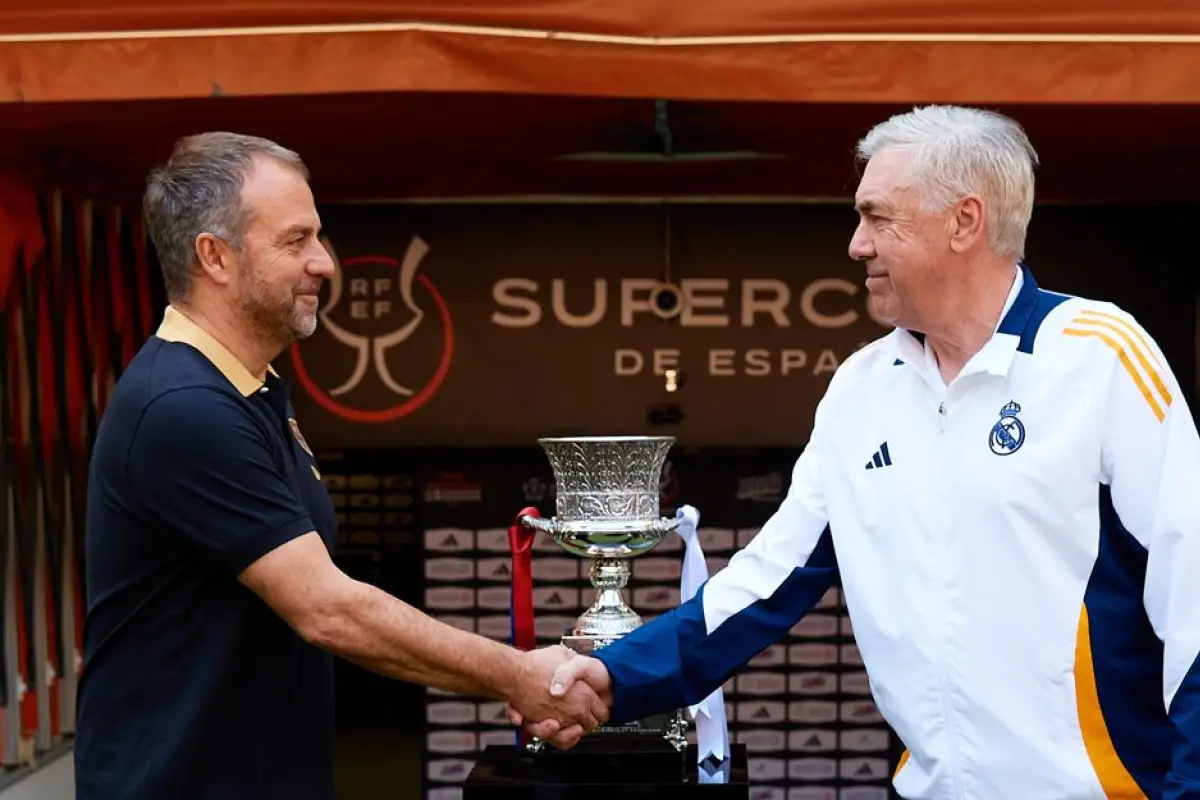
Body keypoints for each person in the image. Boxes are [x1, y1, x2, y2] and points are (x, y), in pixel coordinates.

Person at [514, 105, 1200, 798]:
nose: (856, 245)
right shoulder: (860, 388)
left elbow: (1193, 594)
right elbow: (768, 581)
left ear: (965, 221)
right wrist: (617, 673)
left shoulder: (1100, 356)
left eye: (878, 218)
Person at [74, 132, 607, 800]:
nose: (324, 263)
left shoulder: (251, 389)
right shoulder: (182, 408)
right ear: (214, 256)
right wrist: (516, 675)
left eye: (319, 238)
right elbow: (328, 609)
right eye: (295, 241)